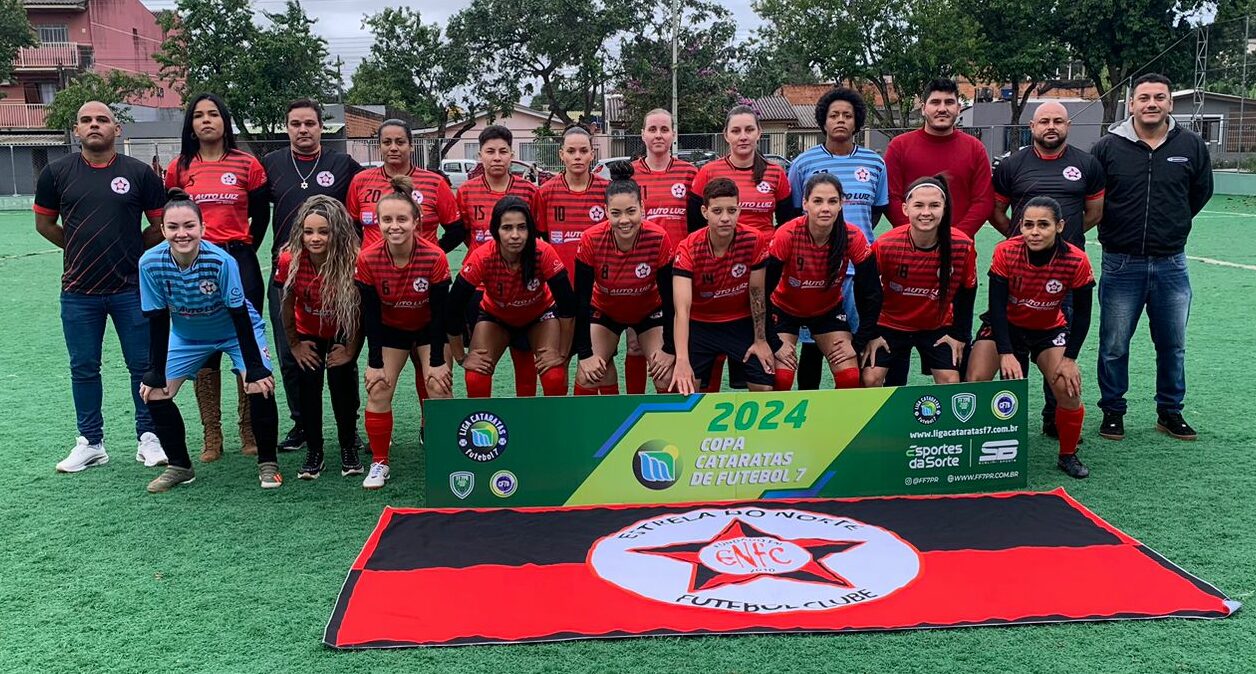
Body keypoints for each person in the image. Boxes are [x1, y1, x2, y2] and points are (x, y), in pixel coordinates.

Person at [35, 101, 169, 473]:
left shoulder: (140, 174)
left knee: (142, 365)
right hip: (78, 291)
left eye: (103, 120)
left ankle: (149, 437)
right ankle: (90, 442)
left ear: (117, 129)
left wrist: (130, 250)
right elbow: (45, 225)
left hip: (130, 287)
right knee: (84, 367)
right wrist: (79, 248)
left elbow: (160, 226)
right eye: (86, 120)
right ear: (76, 130)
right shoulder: (56, 173)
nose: (95, 125)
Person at [1092, 74, 1213, 441]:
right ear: (1131, 104)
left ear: (1170, 103)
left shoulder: (1190, 145)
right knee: (1114, 344)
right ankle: (1113, 411)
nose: (1151, 104)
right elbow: (1095, 197)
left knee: (1172, 344)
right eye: (1144, 97)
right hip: (1121, 262)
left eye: (1160, 97)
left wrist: (1172, 225)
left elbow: (1199, 193)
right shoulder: (1108, 147)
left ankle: (1169, 412)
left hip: (1171, 263)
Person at [138, 189, 281, 493]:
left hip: (235, 329)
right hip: (188, 336)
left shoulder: (221, 261)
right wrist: (154, 370)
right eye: (173, 227)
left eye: (189, 226)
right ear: (162, 230)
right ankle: (180, 466)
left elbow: (240, 314)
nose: (182, 233)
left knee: (261, 384)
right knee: (154, 392)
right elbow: (158, 317)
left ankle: (268, 463)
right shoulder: (149, 263)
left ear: (202, 228)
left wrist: (255, 368)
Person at [164, 93, 269, 463]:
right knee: (203, 347)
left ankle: (249, 429)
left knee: (246, 342)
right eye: (198, 115)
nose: (206, 120)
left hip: (237, 259)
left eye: (213, 114)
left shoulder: (247, 164)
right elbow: (171, 216)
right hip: (192, 264)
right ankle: (212, 436)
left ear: (225, 121)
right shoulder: (179, 167)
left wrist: (242, 252)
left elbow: (260, 214)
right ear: (190, 124)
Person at [992, 101, 1105, 437]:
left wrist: (1060, 243)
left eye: (1058, 121)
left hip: (1063, 275)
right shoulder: (1013, 164)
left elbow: (1095, 212)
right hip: (1019, 275)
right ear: (1032, 125)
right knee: (1012, 352)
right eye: (1044, 121)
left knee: (1057, 349)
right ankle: (1007, 425)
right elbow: (997, 211)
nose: (1051, 126)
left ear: (1068, 124)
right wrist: (1023, 239)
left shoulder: (1086, 163)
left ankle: (1054, 420)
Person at [262, 98, 363, 454]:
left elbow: (356, 213)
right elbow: (259, 215)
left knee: (341, 353)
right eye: (295, 124)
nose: (302, 130)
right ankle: (302, 423)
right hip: (290, 273)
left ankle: (349, 430)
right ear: (287, 127)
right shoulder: (272, 164)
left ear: (322, 127)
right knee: (292, 354)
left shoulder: (342, 164)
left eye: (309, 123)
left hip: (336, 272)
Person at [968, 197, 1095, 478]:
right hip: (1005, 327)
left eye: (1043, 225)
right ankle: (973, 447)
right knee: (975, 380)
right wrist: (1006, 352)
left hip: (1047, 329)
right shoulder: (1005, 252)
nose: (1034, 232)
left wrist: (1070, 359)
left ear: (1059, 226)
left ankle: (1067, 455)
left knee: (1068, 387)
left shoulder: (1076, 260)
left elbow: (1084, 316)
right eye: (1028, 225)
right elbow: (997, 308)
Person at [354, 176, 453, 490]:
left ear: (416, 221)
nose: (393, 226)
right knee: (379, 387)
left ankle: (445, 454)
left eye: (401, 219)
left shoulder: (434, 257)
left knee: (438, 385)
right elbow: (370, 315)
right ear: (377, 222)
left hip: (428, 330)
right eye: (386, 219)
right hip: (391, 331)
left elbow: (440, 314)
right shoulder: (368, 258)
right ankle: (380, 462)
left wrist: (437, 360)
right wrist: (374, 362)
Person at [787, 87, 889, 390]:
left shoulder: (874, 163)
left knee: (856, 345)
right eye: (834, 115)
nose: (841, 120)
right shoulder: (803, 163)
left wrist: (852, 241)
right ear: (823, 121)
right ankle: (810, 412)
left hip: (858, 270)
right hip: (816, 273)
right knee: (813, 348)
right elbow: (795, 212)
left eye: (847, 115)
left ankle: (852, 416)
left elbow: (877, 210)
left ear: (857, 121)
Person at [690, 106, 792, 391]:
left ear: (759, 133)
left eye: (749, 130)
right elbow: (694, 225)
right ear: (726, 135)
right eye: (736, 131)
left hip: (763, 269)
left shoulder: (774, 173)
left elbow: (786, 224)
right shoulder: (709, 172)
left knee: (752, 354)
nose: (743, 136)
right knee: (712, 354)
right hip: (719, 270)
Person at [448, 197, 576, 398]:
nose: (515, 235)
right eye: (507, 228)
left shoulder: (543, 252)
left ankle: (553, 427)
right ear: (495, 231)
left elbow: (568, 305)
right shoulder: (483, 257)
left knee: (554, 376)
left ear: (530, 230)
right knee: (475, 377)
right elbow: (452, 308)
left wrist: (562, 353)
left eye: (522, 227)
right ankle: (484, 426)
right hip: (496, 318)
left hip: (539, 317)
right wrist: (461, 357)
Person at [766, 173, 882, 391]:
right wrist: (774, 343)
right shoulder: (787, 234)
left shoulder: (853, 236)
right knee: (781, 379)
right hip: (784, 310)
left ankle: (840, 424)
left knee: (849, 377)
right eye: (817, 201)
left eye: (832, 201)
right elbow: (761, 292)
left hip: (827, 311)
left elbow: (872, 292)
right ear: (805, 203)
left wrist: (858, 344)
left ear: (841, 204)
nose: (825, 208)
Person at [276, 196, 364, 480]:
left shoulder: (353, 258)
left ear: (336, 231)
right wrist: (295, 345)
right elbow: (286, 305)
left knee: (343, 389)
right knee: (308, 389)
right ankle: (315, 451)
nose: (315, 238)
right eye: (308, 231)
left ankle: (348, 447)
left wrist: (351, 350)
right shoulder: (290, 258)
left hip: (342, 329)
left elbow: (361, 310)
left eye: (323, 231)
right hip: (307, 331)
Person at [862, 176, 977, 387]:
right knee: (871, 378)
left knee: (951, 380)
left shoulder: (962, 245)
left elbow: (967, 291)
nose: (926, 212)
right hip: (890, 324)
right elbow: (865, 289)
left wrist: (959, 336)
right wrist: (871, 334)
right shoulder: (886, 244)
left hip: (937, 325)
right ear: (906, 209)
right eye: (919, 205)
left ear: (945, 208)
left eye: (934, 205)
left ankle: (946, 422)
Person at [573, 161, 676, 395]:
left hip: (649, 313)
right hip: (606, 313)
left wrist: (669, 348)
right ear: (606, 211)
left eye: (631, 211)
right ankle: (593, 428)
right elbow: (581, 300)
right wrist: (585, 354)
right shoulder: (591, 239)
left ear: (642, 207)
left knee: (666, 376)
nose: (624, 220)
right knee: (587, 374)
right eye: (616, 213)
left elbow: (670, 300)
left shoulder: (658, 238)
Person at [455, 125, 543, 397]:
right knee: (480, 362)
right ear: (480, 155)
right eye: (490, 151)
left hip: (521, 287)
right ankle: (481, 422)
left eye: (503, 151)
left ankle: (525, 421)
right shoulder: (466, 191)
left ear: (512, 154)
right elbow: (466, 234)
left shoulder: (528, 191)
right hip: (480, 289)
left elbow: (537, 235)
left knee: (524, 360)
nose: (496, 157)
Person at [670, 178, 775, 395]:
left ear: (739, 210)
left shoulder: (754, 239)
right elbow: (682, 310)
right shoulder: (688, 247)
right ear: (704, 211)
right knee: (684, 390)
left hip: (739, 322)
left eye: (731, 210)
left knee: (764, 386)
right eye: (717, 211)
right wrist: (681, 360)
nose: (725, 218)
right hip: (700, 324)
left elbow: (757, 295)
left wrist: (761, 340)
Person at [624, 109, 696, 395]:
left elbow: (697, 226)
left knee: (677, 339)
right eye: (652, 129)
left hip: (679, 272)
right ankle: (633, 404)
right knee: (634, 344)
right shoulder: (629, 173)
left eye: (664, 129)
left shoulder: (690, 174)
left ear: (673, 135)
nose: (658, 135)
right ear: (642, 134)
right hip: (638, 273)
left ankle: (668, 405)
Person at [884, 79, 993, 238]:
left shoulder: (975, 148)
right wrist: (915, 236)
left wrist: (956, 238)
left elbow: (983, 201)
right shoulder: (899, 147)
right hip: (910, 248)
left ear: (958, 109)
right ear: (923, 108)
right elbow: (891, 198)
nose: (942, 109)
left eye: (949, 102)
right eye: (935, 102)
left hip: (958, 250)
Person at [347, 119, 463, 252]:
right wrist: (365, 253)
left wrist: (433, 253)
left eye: (400, 142)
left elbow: (456, 230)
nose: (393, 148)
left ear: (411, 146)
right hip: (374, 268)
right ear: (379, 147)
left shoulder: (435, 183)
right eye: (387, 142)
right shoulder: (360, 181)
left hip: (420, 268)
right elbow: (352, 226)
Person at [535, 125, 610, 273]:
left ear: (592, 154)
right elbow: (541, 239)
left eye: (583, 151)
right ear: (561, 154)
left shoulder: (607, 191)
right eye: (571, 151)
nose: (577, 156)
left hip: (598, 283)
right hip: (560, 280)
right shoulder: (545, 192)